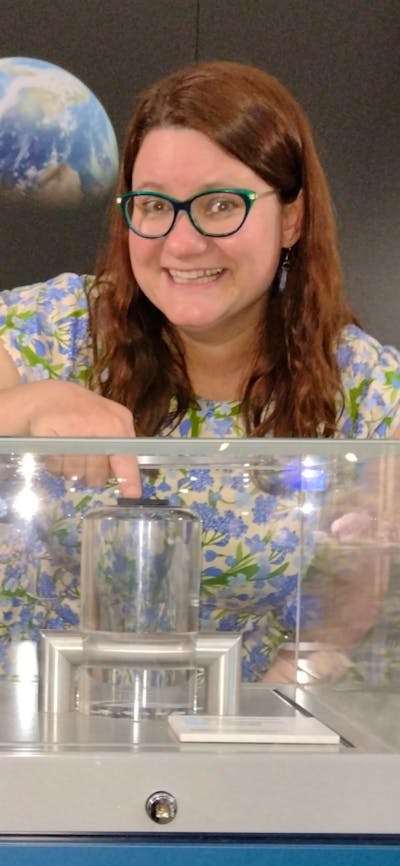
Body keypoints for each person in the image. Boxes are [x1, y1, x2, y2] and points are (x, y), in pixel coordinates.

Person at [0, 60, 399, 684]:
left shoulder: (367, 389)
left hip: (243, 760)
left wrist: (268, 728)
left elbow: (344, 618)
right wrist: (22, 408)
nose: (182, 244)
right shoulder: (53, 328)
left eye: (219, 205)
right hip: (32, 748)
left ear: (291, 218)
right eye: (155, 206)